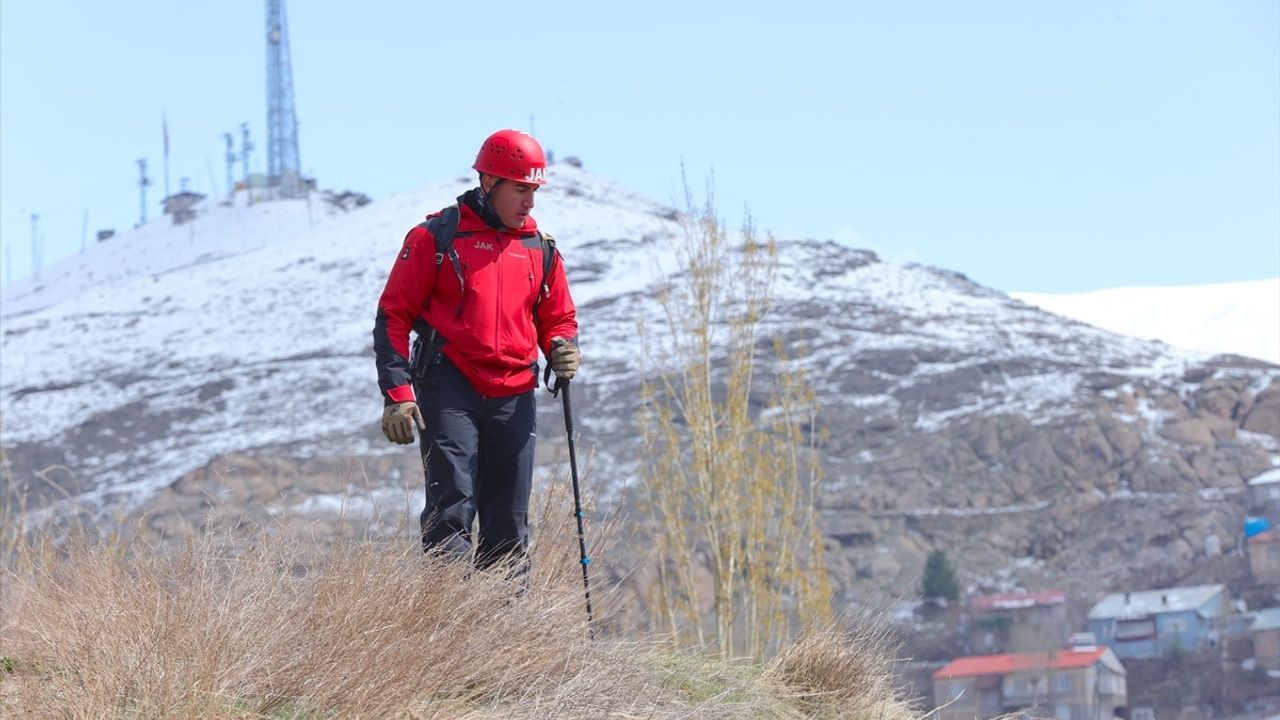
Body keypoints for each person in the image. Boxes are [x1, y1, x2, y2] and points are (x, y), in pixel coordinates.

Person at [372, 129, 580, 573]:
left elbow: (559, 317)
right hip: (450, 384)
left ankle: (504, 618)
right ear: (488, 182)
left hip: (515, 392)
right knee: (451, 510)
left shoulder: (541, 249)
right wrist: (398, 395)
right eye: (520, 189)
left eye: (534, 191)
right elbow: (393, 316)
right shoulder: (435, 237)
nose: (530, 202)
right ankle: (449, 615)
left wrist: (562, 346)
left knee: (509, 523)